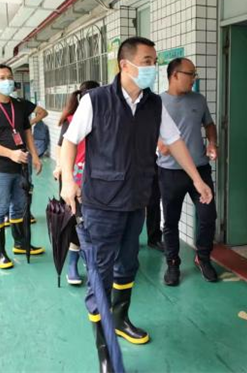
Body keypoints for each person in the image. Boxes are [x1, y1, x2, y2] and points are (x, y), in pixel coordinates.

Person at [60, 37, 213, 370]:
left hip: (136, 201)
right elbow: (69, 142)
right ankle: (104, 347)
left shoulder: (153, 104)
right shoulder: (96, 100)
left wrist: (197, 179)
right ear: (124, 65)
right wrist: (68, 181)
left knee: (127, 265)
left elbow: (176, 142)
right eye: (146, 61)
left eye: (154, 61)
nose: (152, 67)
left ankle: (120, 319)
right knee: (99, 273)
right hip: (101, 203)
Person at [0, 64, 45, 270]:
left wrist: (35, 155)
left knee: (20, 207)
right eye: (2, 78)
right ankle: (0, 254)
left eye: (10, 77)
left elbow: (26, 131)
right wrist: (10, 153)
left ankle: (20, 244)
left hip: (21, 167)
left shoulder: (18, 105)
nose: (7, 81)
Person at [157, 57, 219, 286]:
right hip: (170, 171)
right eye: (190, 74)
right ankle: (172, 263)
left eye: (194, 74)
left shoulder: (198, 100)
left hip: (200, 170)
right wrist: (158, 143)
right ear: (175, 75)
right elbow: (146, 132)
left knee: (208, 216)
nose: (194, 78)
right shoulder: (157, 103)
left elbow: (209, 125)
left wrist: (212, 143)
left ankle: (203, 257)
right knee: (171, 221)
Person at [53, 80, 100, 286]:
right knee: (75, 221)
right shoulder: (71, 120)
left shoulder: (103, 119)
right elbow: (61, 146)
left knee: (93, 222)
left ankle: (91, 260)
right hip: (74, 179)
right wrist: (60, 167)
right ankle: (72, 264)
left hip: (97, 179)